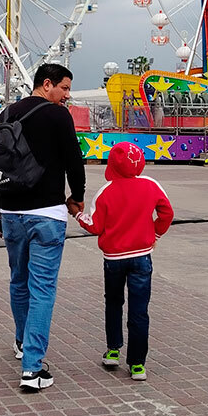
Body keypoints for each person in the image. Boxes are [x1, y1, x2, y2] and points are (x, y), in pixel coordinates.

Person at [0, 63, 86, 391]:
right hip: (47, 214)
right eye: (65, 88)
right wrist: (78, 197)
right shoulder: (58, 116)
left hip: (12, 213)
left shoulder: (7, 114)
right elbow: (74, 160)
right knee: (42, 289)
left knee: (19, 281)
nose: (67, 95)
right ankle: (32, 368)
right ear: (47, 84)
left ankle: (21, 341)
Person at [74, 141, 173, 381]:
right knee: (139, 310)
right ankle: (138, 363)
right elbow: (167, 212)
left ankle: (113, 350)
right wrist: (155, 234)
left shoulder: (106, 191)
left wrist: (78, 214)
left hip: (114, 259)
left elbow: (95, 225)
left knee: (114, 302)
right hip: (142, 256)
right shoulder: (151, 185)